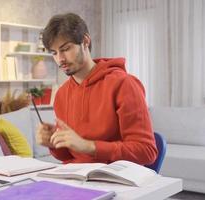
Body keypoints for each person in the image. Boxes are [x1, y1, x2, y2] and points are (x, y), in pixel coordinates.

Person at [36, 13, 157, 165]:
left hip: (114, 178)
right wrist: (54, 144)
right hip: (76, 177)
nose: (60, 59)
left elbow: (146, 152)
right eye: (54, 53)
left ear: (85, 41)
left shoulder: (124, 84)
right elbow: (68, 156)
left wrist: (90, 146)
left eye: (65, 49)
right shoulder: (61, 94)